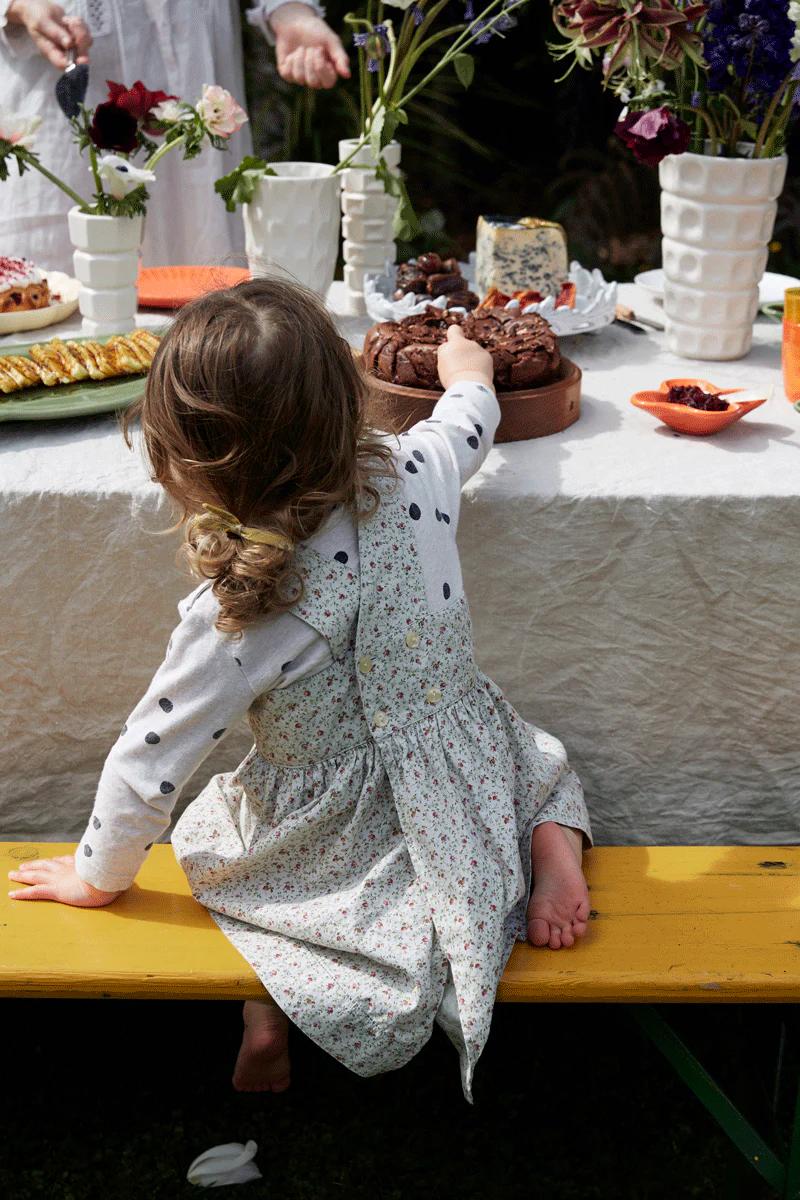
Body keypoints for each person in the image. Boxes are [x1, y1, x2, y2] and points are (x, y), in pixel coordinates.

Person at [8, 279, 592, 1101]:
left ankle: (270, 1008)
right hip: (465, 766)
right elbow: (464, 430)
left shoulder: (246, 608)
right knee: (540, 764)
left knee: (245, 872)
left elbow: (151, 757)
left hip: (339, 832)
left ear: (182, 453)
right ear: (344, 399)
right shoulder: (412, 469)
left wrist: (97, 875)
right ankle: (545, 844)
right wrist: (470, 375)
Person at [0, 1, 350, 271]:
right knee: (58, 310)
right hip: (61, 95)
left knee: (206, 315)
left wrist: (289, 10)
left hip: (193, 61)